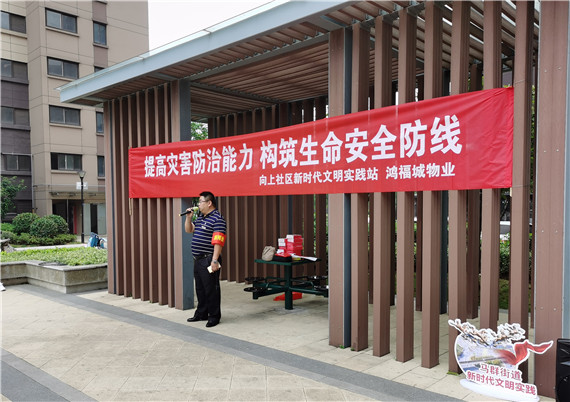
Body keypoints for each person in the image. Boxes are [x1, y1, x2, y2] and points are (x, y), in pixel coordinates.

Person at [184, 191, 227, 328]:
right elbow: (189, 230)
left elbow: (218, 241)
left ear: (209, 203)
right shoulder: (201, 217)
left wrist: (214, 260)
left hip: (209, 259)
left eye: (200, 201)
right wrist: (188, 218)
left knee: (211, 289)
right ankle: (201, 313)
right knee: (200, 288)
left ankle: (214, 316)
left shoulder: (217, 219)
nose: (198, 204)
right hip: (198, 259)